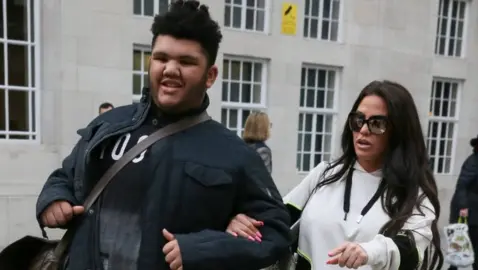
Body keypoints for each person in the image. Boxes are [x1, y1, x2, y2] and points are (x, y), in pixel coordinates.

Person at [35, 1, 291, 269]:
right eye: (161, 58)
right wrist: (53, 200)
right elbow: (65, 177)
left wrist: (203, 249)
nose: (170, 69)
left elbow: (276, 230)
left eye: (186, 61)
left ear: (210, 76)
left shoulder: (234, 153)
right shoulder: (109, 125)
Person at [226, 80, 444, 270]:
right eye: (358, 120)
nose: (364, 130)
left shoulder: (415, 194)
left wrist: (370, 251)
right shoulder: (324, 174)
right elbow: (277, 219)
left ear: (399, 131)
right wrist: (240, 221)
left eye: (377, 123)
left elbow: (412, 250)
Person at [448, 133, 478, 270]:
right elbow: (462, 185)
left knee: (472, 243)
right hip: (468, 211)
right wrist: (463, 207)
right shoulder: (473, 162)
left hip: (476, 211)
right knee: (465, 242)